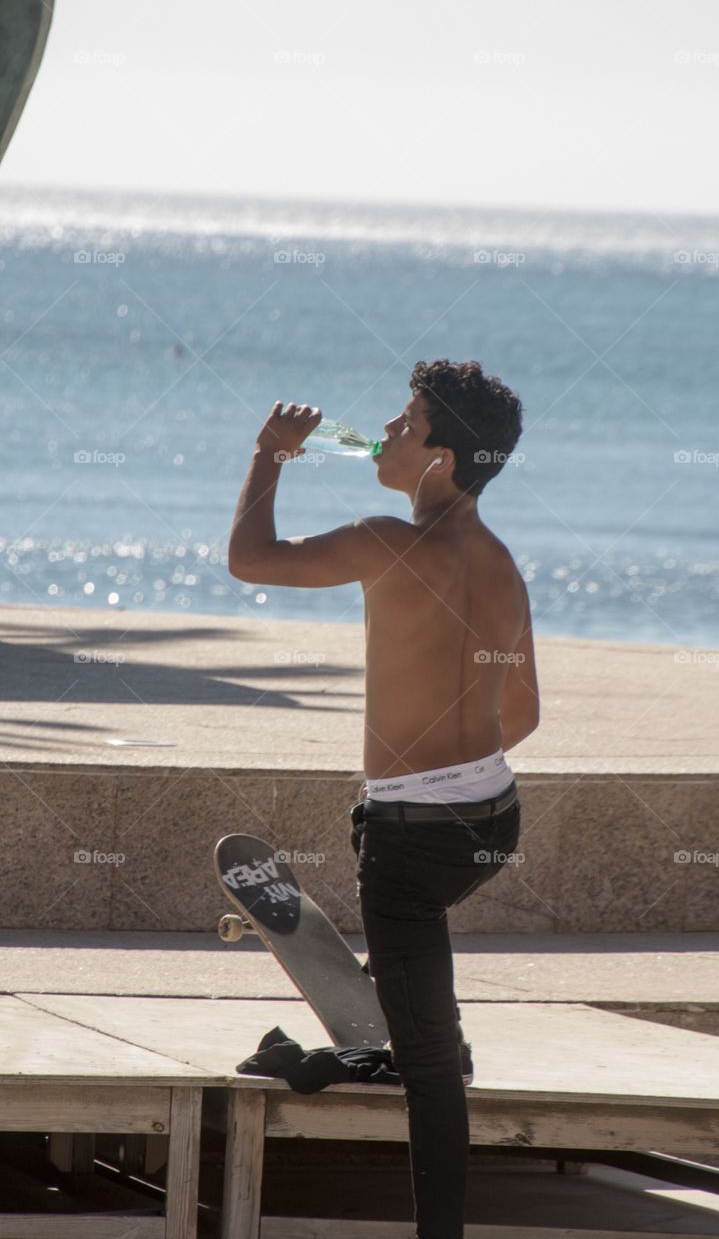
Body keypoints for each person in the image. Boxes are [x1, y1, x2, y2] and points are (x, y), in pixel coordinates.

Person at [228, 358, 540, 1239]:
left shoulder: (385, 540)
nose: (388, 431)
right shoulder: (499, 561)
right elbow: (522, 712)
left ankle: (437, 1214)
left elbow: (251, 559)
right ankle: (398, 1032)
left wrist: (271, 454)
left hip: (411, 841)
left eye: (407, 422)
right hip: (493, 817)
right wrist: (448, 771)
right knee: (414, 990)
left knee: (434, 1073)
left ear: (439, 457)